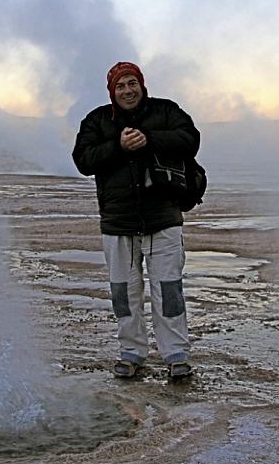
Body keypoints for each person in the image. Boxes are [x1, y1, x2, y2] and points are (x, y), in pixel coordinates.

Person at [72, 61, 199, 379]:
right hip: (118, 223)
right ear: (111, 91)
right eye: (120, 86)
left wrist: (149, 138)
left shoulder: (166, 111)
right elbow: (83, 160)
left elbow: (190, 140)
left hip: (163, 219)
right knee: (123, 293)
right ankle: (131, 352)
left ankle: (175, 354)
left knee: (168, 290)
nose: (127, 90)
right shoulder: (97, 120)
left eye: (132, 83)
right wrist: (119, 146)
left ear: (142, 85)